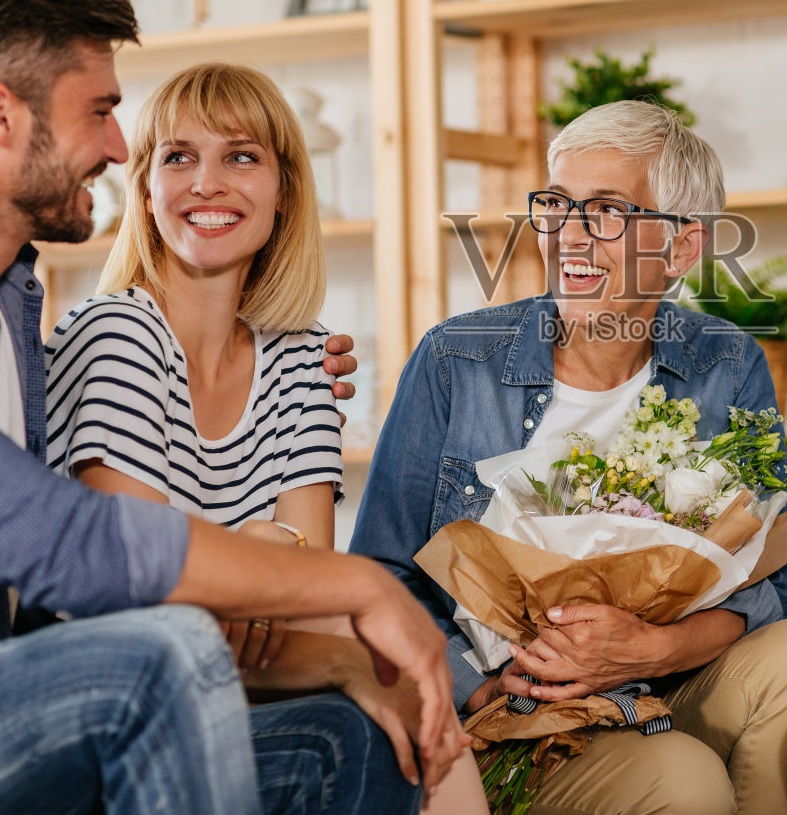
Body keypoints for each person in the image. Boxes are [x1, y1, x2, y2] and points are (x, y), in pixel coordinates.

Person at [0, 0, 464, 815]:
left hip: (20, 694)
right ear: (0, 116)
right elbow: (63, 541)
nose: (120, 147)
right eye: (100, 110)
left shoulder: (12, 295)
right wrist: (359, 583)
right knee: (161, 654)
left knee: (347, 743)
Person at [350, 100, 787, 815]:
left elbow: (771, 577)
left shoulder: (726, 362)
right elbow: (383, 575)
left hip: (671, 680)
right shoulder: (457, 359)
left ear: (680, 249)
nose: (568, 235)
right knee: (683, 778)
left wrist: (652, 649)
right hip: (517, 709)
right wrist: (482, 686)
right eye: (556, 204)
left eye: (607, 210)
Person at [45, 60, 488, 812]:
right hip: (107, 688)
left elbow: (304, 583)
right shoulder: (116, 333)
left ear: (284, 192)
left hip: (247, 672)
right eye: (177, 157)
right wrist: (330, 640)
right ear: (146, 191)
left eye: (241, 156)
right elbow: (139, 604)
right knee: (380, 664)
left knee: (384, 669)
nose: (206, 183)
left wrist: (268, 573)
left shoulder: (301, 354)